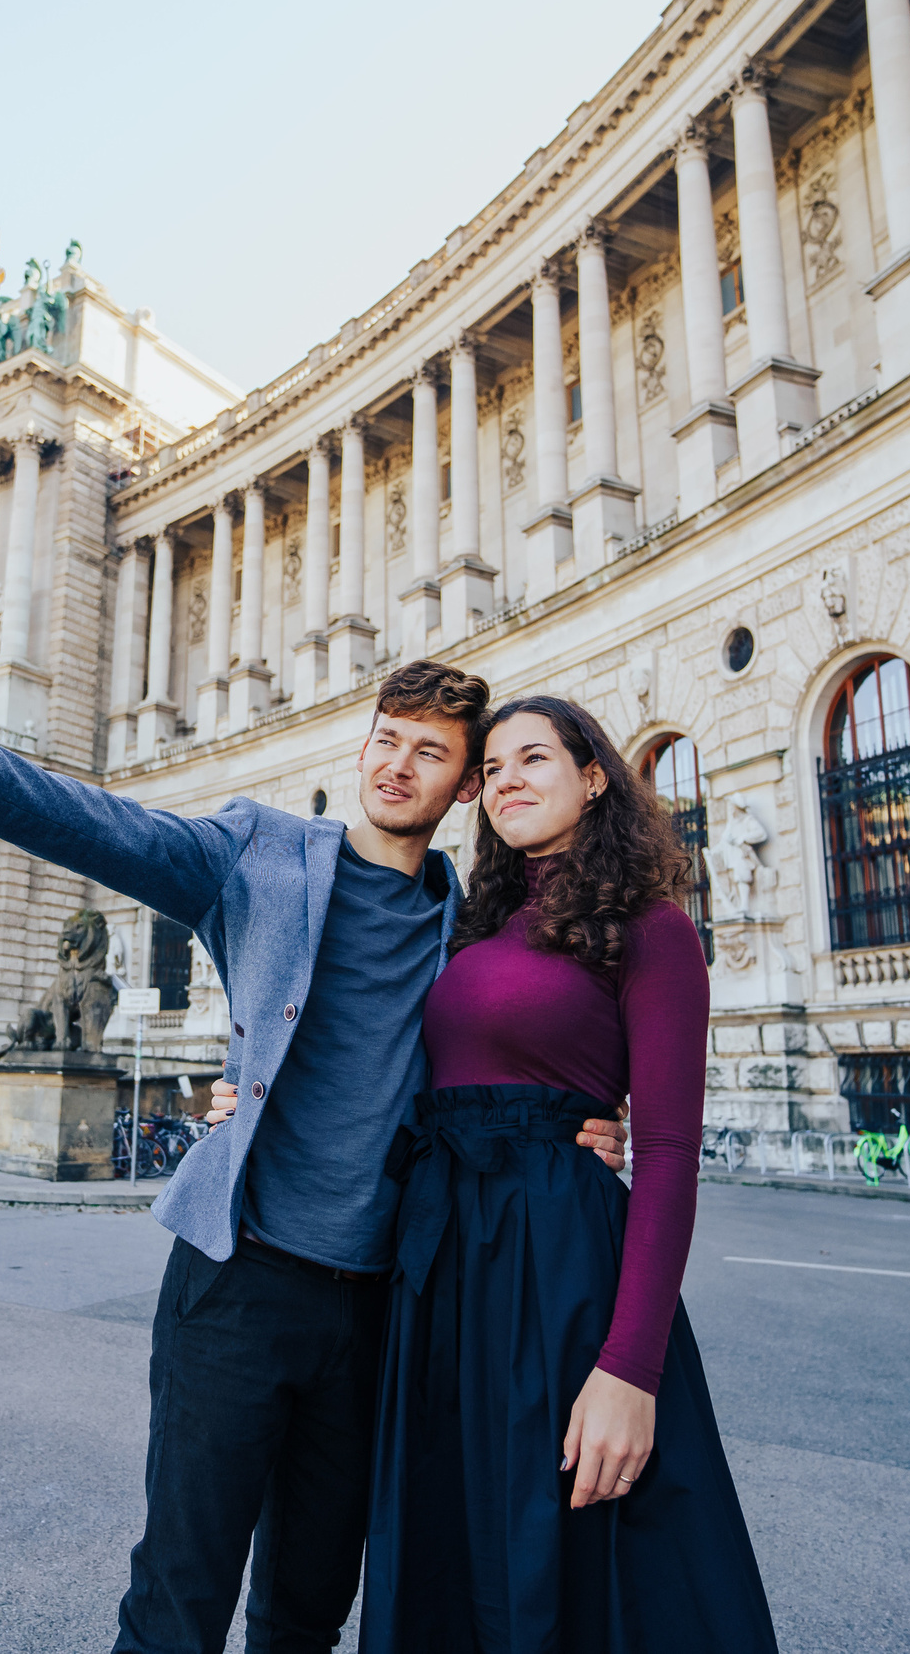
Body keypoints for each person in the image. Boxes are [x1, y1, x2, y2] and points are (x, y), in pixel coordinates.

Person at [0, 665, 627, 1654]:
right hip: (237, 1278)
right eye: (387, 737)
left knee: (307, 1609)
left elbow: (519, 1042)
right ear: (362, 743)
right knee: (178, 1595)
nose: (397, 764)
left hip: (378, 1307)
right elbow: (109, 831)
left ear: (463, 787)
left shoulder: (460, 928)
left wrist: (585, 1115)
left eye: (429, 752)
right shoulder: (262, 854)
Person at [353, 696, 777, 1652]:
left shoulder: (653, 925)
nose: (505, 779)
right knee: (451, 1548)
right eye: (493, 767)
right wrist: (241, 1088)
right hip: (443, 1266)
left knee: (574, 1555)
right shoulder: (469, 921)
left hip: (559, 1269)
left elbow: (667, 1151)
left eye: (532, 758)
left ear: (594, 777)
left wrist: (632, 1368)